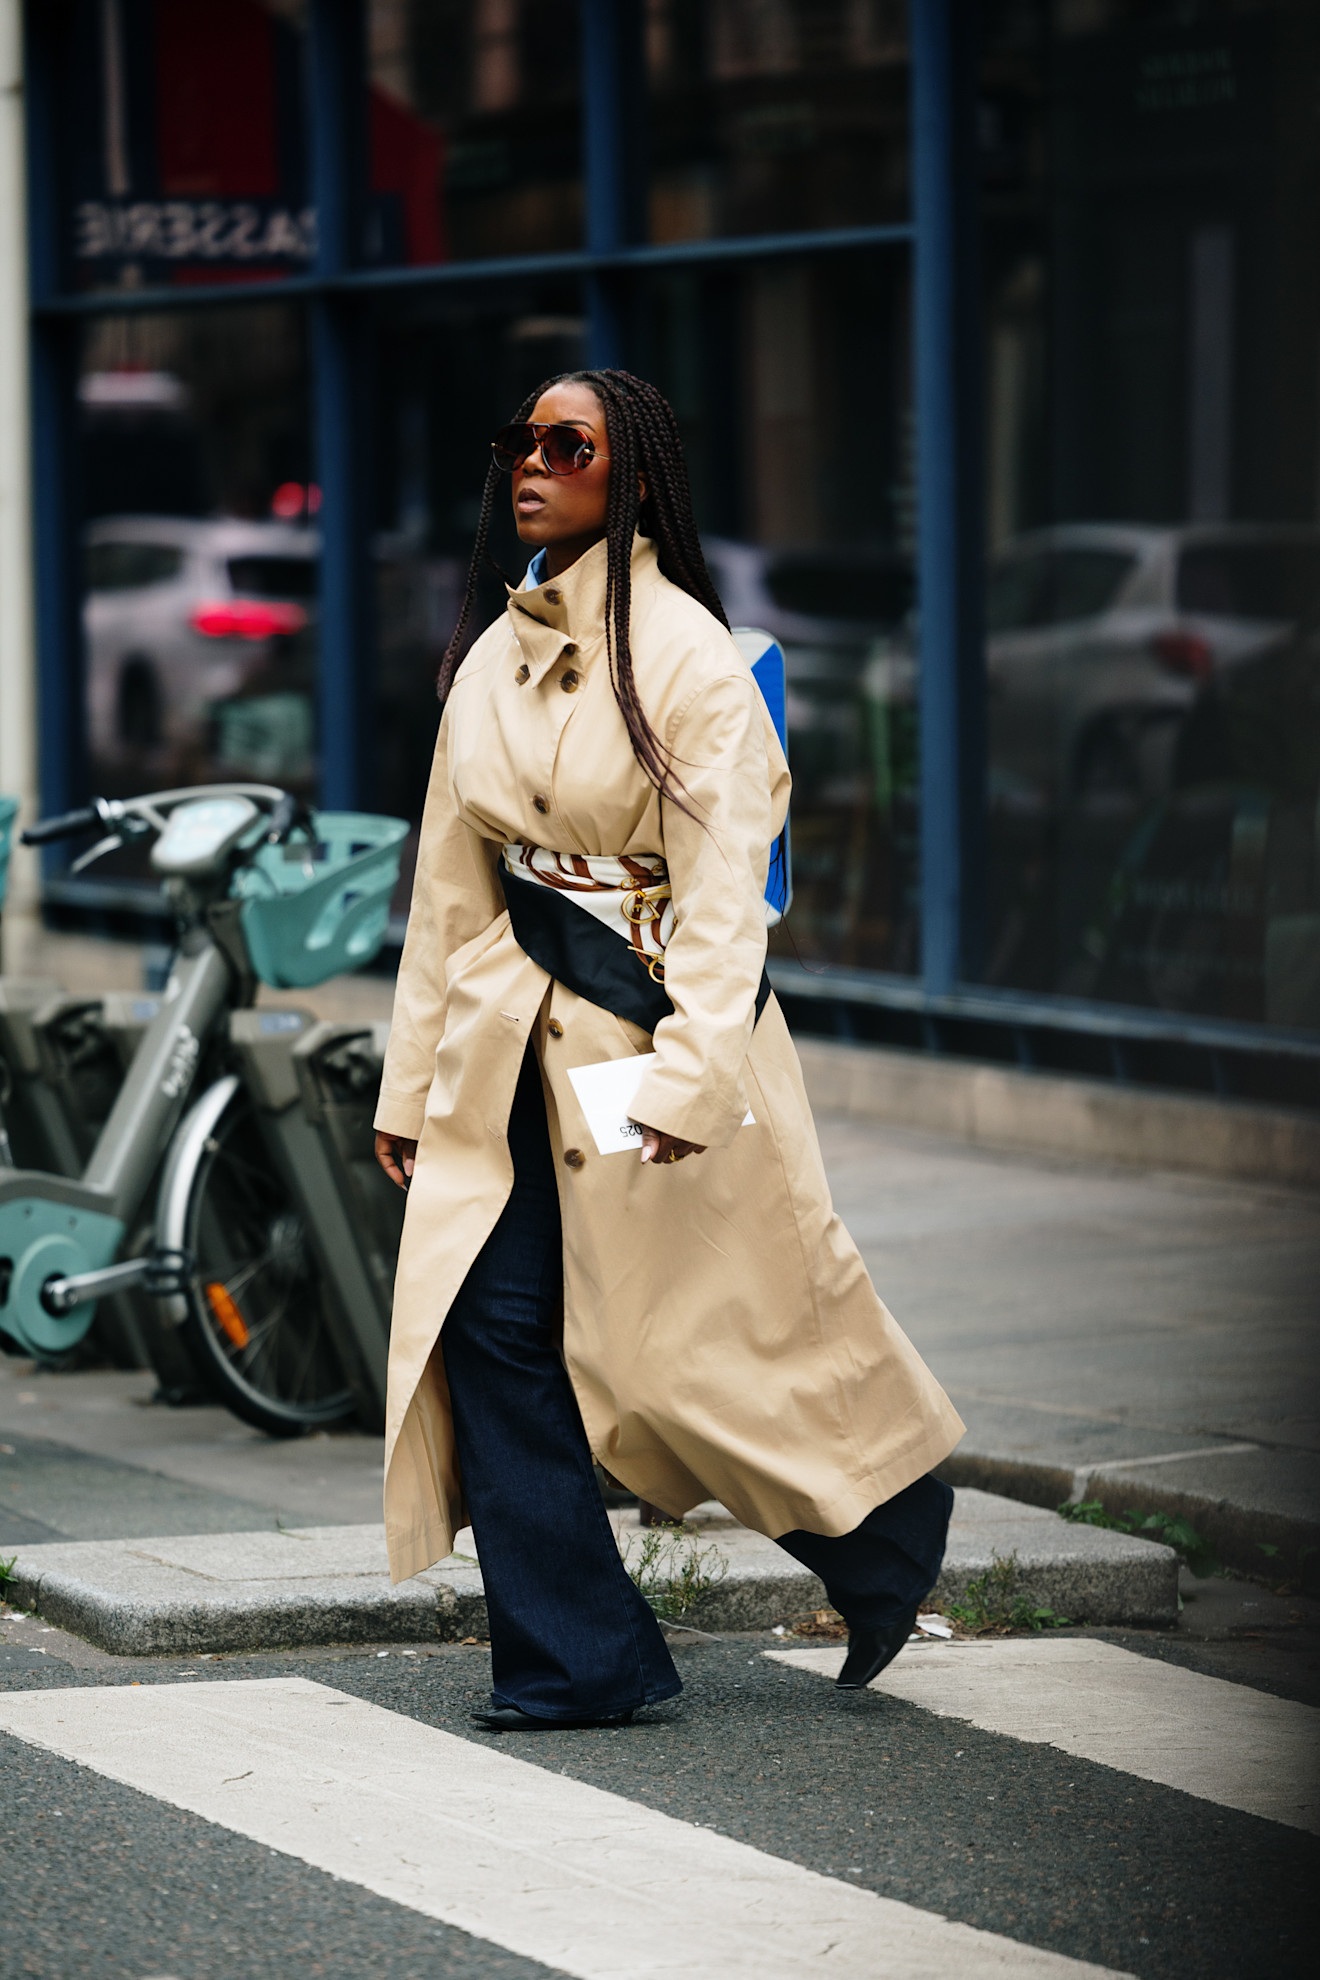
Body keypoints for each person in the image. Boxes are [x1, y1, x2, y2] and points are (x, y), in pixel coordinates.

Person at [373, 368, 965, 1731]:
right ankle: (581, 1658)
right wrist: (409, 1084)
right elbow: (450, 892)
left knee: (675, 1359)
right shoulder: (491, 659)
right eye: (518, 439)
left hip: (648, 1051)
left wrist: (694, 1076)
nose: (531, 463)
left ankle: (882, 1529)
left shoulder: (692, 661)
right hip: (505, 1056)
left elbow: (721, 897)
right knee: (492, 1332)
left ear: (631, 473)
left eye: (566, 444)